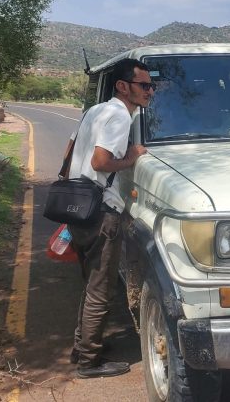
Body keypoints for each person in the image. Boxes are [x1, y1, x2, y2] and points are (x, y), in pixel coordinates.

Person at [64, 58, 154, 378]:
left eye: (151, 86)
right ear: (122, 86)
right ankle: (89, 362)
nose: (150, 91)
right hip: (102, 212)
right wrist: (132, 156)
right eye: (144, 85)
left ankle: (83, 347)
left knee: (91, 284)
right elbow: (101, 162)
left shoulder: (95, 111)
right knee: (101, 290)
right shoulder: (119, 116)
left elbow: (69, 150)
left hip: (78, 206)